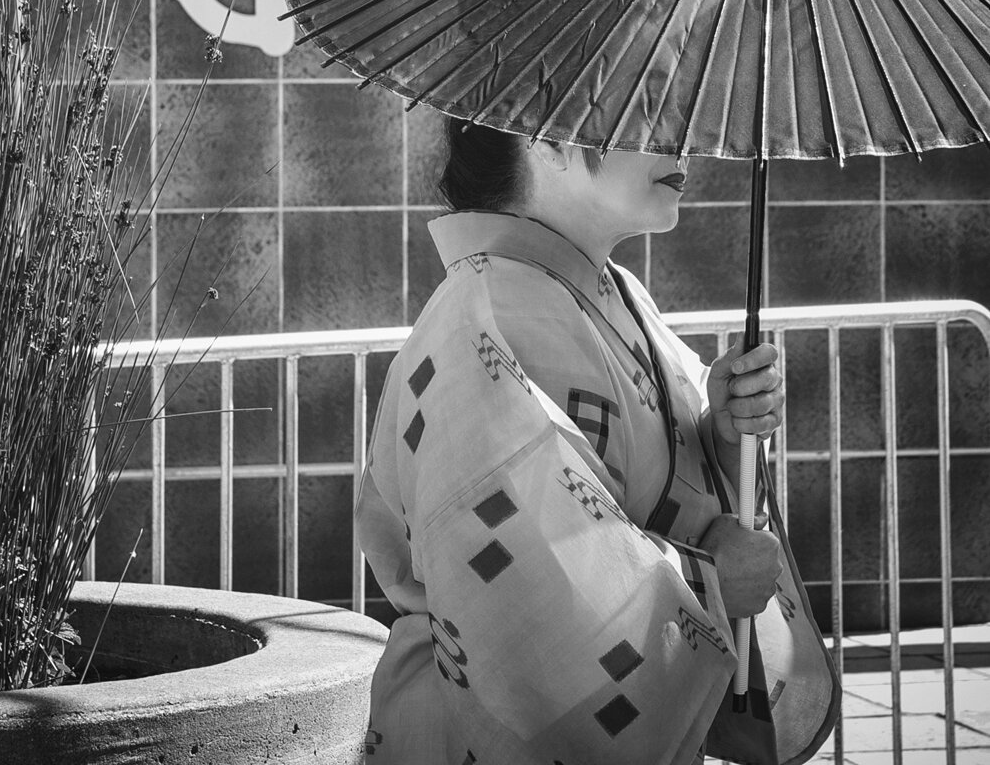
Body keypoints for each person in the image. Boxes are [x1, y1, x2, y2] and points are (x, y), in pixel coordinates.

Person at [356, 121, 840, 765]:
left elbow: (643, 491)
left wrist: (722, 436)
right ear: (548, 136)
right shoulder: (487, 313)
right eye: (655, 111)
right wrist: (712, 581)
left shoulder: (612, 292)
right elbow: (529, 586)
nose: (685, 138)